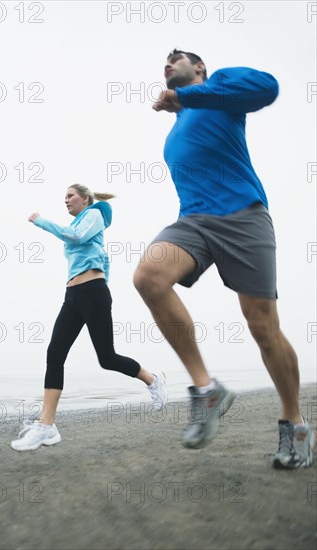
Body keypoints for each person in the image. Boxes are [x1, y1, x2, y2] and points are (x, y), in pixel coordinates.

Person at [133, 49, 314, 469]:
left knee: (263, 326)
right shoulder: (177, 125)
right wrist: (181, 106)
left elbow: (267, 88)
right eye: (162, 62)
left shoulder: (219, 92)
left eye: (176, 59)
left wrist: (191, 97)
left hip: (243, 217)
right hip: (193, 222)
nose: (166, 65)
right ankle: (206, 389)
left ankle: (296, 423)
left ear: (199, 68)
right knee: (149, 276)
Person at [11, 184, 167, 451]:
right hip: (72, 296)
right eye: (64, 197)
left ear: (85, 199)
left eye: (70, 195)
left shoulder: (94, 215)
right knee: (55, 354)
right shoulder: (89, 223)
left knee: (107, 359)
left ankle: (152, 379)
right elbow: (103, 260)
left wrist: (41, 221)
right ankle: (47, 426)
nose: (66, 200)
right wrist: (98, 277)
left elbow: (75, 236)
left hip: (92, 294)